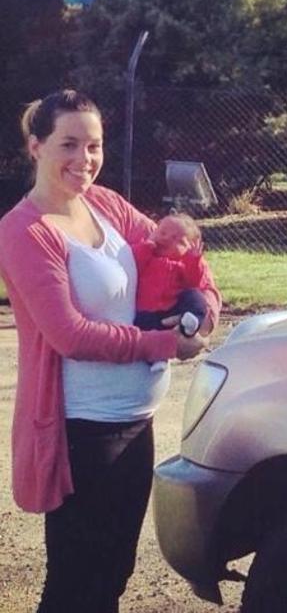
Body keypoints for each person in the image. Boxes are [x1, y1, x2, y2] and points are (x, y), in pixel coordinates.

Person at [0, 89, 221, 613]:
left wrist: (205, 305)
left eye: (94, 145)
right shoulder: (23, 231)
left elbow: (182, 250)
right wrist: (167, 343)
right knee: (78, 581)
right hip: (84, 432)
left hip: (135, 422)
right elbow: (70, 334)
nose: (85, 160)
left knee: (114, 571)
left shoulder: (104, 204)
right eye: (68, 144)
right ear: (36, 146)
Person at [133, 212, 210, 371]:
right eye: (162, 232)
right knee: (145, 329)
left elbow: (194, 282)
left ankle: (191, 322)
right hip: (147, 309)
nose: (167, 238)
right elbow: (134, 263)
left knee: (195, 297)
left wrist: (194, 260)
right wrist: (147, 245)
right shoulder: (147, 256)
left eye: (177, 239)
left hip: (172, 307)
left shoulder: (182, 264)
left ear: (188, 247)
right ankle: (157, 358)